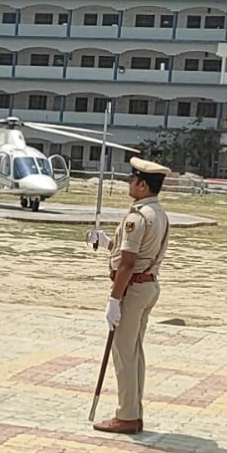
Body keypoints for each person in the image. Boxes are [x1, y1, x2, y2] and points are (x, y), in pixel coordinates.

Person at [92, 157, 171, 435]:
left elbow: (127, 263)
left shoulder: (137, 217)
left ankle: (126, 416)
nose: (129, 183)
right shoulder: (158, 213)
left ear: (142, 185)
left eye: (132, 179)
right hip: (148, 285)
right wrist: (107, 244)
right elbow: (133, 252)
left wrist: (114, 299)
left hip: (133, 288)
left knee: (124, 354)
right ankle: (133, 412)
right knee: (134, 352)